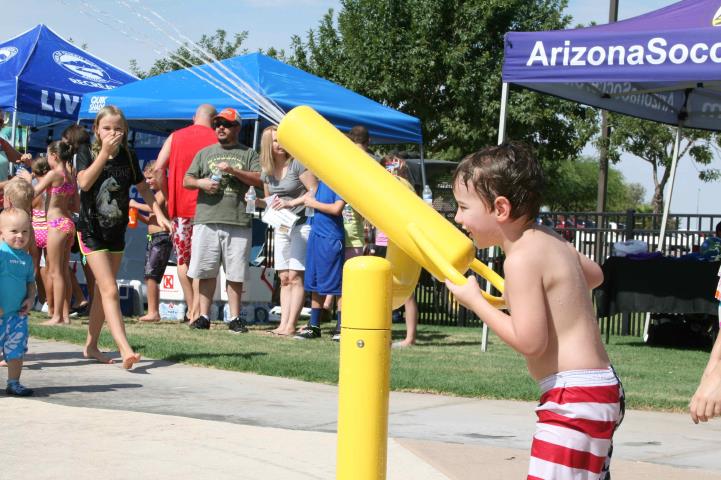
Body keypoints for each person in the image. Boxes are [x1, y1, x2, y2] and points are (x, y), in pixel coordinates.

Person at [444, 142, 624, 479]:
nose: (458, 218)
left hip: (572, 399)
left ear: (500, 208)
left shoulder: (520, 259)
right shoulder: (548, 238)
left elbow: (530, 342)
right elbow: (595, 275)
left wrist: (476, 301)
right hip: (597, 390)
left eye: (463, 207)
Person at [76, 105, 171, 369]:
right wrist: (104, 154)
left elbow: (142, 187)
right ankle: (124, 348)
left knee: (102, 291)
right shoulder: (86, 151)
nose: (112, 133)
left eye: (118, 129)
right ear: (96, 130)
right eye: (107, 128)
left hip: (115, 231)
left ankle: (91, 345)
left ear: (125, 131)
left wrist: (158, 213)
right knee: (109, 289)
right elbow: (83, 183)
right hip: (91, 230)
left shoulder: (128, 155)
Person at [183, 107, 261, 332]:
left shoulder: (248, 154)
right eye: (217, 124)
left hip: (237, 219)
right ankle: (204, 316)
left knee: (235, 273)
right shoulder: (205, 152)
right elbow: (187, 179)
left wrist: (235, 172)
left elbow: (259, 179)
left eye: (226, 124)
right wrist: (201, 184)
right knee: (206, 271)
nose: (220, 128)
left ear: (237, 127)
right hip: (207, 218)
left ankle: (235, 318)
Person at [154, 104, 217, 324]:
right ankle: (198, 312)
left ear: (193, 117)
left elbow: (157, 170)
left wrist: (168, 194)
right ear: (215, 119)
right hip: (208, 208)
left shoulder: (175, 136)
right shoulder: (217, 138)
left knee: (183, 260)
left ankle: (191, 309)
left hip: (180, 208)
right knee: (201, 260)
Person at [259, 126, 317, 337]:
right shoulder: (266, 171)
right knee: (283, 277)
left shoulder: (297, 164)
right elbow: (268, 200)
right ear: (268, 145)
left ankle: (291, 324)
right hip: (281, 225)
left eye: (282, 139)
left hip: (302, 223)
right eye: (275, 141)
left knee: (295, 275)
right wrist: (257, 202)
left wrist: (291, 202)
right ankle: (283, 324)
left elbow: (314, 190)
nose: (280, 144)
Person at [33, 140, 79, 326]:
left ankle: (57, 316)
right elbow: (76, 205)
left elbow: (34, 191)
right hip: (68, 223)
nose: (46, 159)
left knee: (55, 272)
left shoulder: (54, 174)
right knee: (64, 272)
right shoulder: (70, 176)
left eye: (47, 155)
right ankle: (65, 315)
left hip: (55, 224)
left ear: (55, 156)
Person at [376, 153, 419, 348]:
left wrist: (400, 175)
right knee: (383, 289)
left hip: (399, 241)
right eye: (387, 166)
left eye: (393, 165)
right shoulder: (383, 185)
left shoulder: (404, 185)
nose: (390, 169)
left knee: (406, 291)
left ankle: (409, 337)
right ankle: (385, 333)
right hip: (383, 239)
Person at [295, 180, 346, 340]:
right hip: (315, 235)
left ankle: (341, 327)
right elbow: (306, 200)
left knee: (337, 284)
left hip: (330, 237)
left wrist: (313, 203)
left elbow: (337, 208)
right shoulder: (319, 182)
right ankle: (314, 326)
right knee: (314, 282)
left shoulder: (339, 182)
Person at [0, 208, 37, 396]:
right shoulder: (1, 253)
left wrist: (30, 299)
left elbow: (31, 282)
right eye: (14, 231)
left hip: (17, 317)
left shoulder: (27, 259)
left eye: (25, 231)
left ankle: (13, 383)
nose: (20, 236)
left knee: (16, 352)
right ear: (1, 233)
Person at [130, 161, 172, 323]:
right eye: (145, 179)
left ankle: (154, 312)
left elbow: (151, 208)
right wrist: (137, 216)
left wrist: (134, 203)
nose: (147, 182)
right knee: (149, 275)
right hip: (154, 237)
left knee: (152, 275)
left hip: (161, 238)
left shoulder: (162, 192)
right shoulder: (157, 195)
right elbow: (151, 220)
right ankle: (153, 310)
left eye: (149, 178)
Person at [0, 110, 32, 207]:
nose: (1, 125)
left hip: (4, 202)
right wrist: (12, 181)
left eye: (1, 122)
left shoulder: (1, 140)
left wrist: (26, 158)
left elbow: (19, 157)